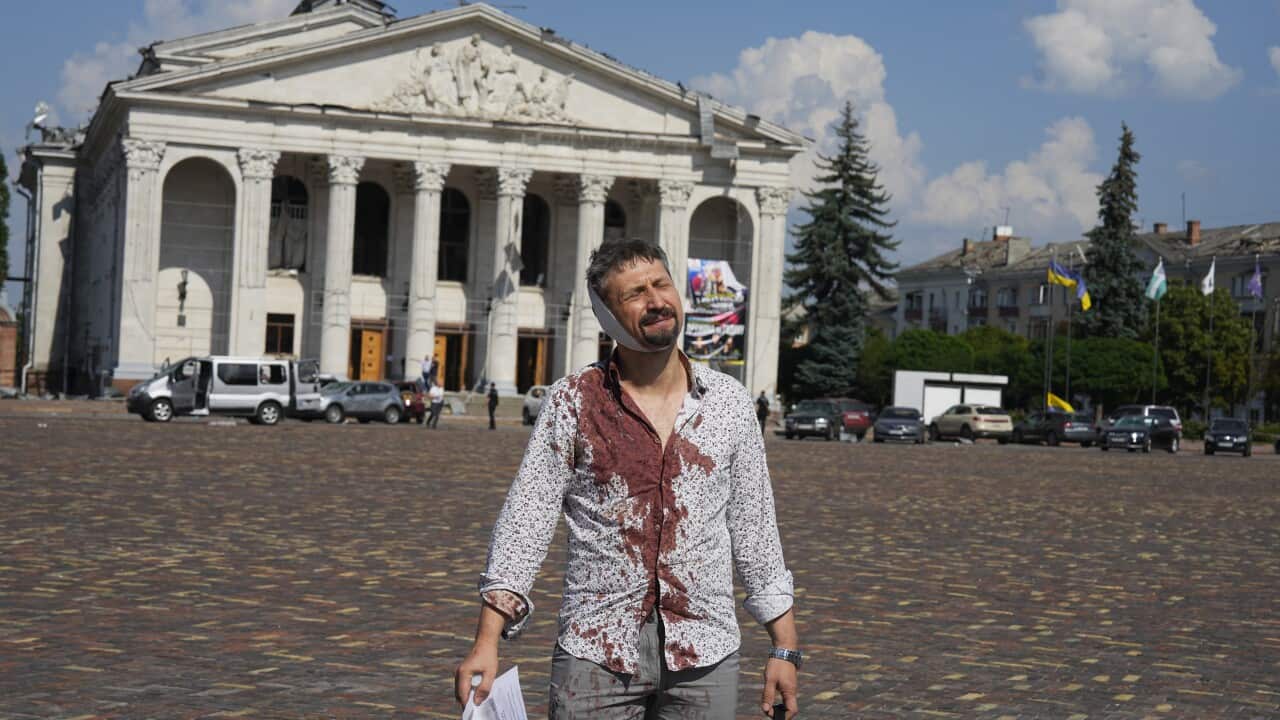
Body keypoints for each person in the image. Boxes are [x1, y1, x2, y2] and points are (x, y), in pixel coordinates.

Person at [455, 240, 800, 719]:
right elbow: (526, 521)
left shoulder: (729, 402)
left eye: (662, 284)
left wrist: (784, 646)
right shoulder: (572, 402)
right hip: (595, 655)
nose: (656, 300)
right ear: (607, 316)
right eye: (635, 293)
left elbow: (756, 527)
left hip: (706, 653)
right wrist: (486, 641)